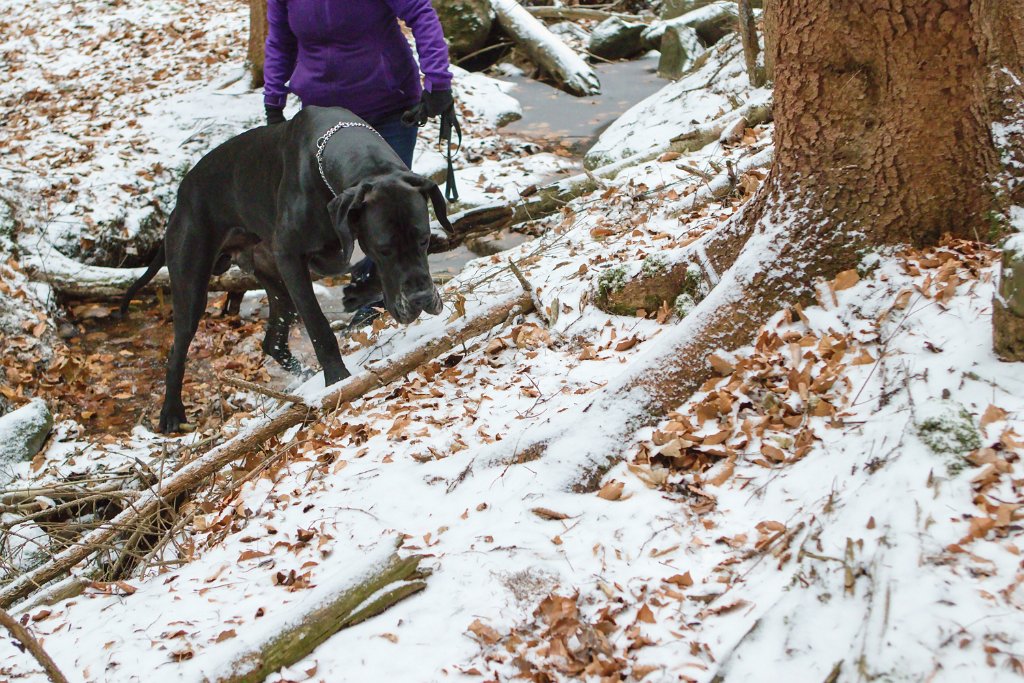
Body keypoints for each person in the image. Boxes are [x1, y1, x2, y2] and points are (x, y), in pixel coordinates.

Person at [263, 0, 455, 322]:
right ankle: (373, 296)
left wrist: (437, 81)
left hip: (388, 107)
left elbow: (420, 12)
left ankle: (377, 309)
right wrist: (273, 102)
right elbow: (280, 39)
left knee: (386, 207)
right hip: (325, 125)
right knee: (346, 214)